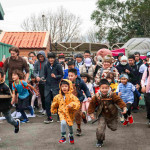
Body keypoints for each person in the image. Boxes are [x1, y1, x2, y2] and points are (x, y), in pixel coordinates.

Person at [88, 79, 127, 148]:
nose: (104, 90)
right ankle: (100, 140)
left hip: (112, 115)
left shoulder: (112, 94)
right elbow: (92, 104)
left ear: (109, 88)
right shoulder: (97, 96)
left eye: (106, 88)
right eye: (102, 88)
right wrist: (91, 113)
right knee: (100, 129)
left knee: (114, 128)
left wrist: (124, 107)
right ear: (99, 88)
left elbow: (119, 101)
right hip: (102, 115)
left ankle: (108, 124)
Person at [51, 79, 80, 144]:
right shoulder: (58, 96)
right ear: (60, 87)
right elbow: (54, 103)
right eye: (62, 86)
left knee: (70, 126)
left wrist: (72, 105)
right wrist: (53, 109)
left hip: (70, 113)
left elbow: (77, 103)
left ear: (69, 87)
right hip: (61, 112)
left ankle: (71, 135)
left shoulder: (72, 96)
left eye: (66, 86)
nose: (64, 88)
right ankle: (63, 136)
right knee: (63, 123)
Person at [68, 68, 91, 136]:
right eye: (69, 76)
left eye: (72, 76)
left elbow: (86, 89)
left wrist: (89, 96)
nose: (70, 77)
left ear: (76, 76)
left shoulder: (80, 82)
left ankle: (78, 129)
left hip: (78, 99)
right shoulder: (66, 81)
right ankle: (83, 115)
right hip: (69, 100)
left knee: (77, 114)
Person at [44, 52, 63, 123]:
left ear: (55, 58)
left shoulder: (58, 65)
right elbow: (45, 74)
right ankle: (49, 117)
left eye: (52, 58)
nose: (51, 59)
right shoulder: (46, 65)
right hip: (48, 86)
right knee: (47, 102)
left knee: (57, 102)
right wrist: (43, 78)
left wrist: (55, 76)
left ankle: (59, 117)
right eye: (49, 58)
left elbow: (61, 75)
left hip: (55, 86)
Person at [0, 68, 20, 134]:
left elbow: (9, 96)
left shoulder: (5, 86)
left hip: (5, 106)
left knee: (10, 120)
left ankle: (16, 124)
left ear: (2, 77)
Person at [34, 51, 48, 115]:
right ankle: (44, 108)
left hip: (47, 82)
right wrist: (36, 76)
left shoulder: (47, 62)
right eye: (39, 57)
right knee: (42, 96)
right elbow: (35, 71)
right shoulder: (37, 63)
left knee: (48, 96)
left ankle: (49, 108)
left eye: (42, 56)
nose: (40, 58)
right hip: (40, 82)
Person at [141, 58, 150, 126]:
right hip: (148, 89)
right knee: (148, 103)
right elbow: (143, 79)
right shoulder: (147, 69)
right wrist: (143, 86)